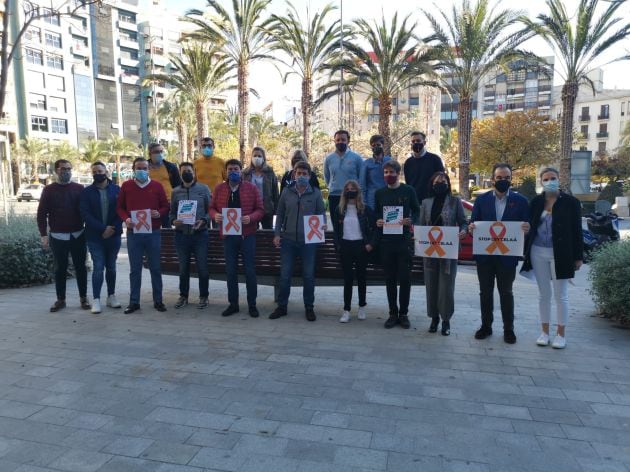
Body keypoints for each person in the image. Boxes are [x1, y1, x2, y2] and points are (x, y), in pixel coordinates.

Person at [521, 167, 583, 349]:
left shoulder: (571, 202)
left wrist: (578, 257)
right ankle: (544, 332)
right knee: (543, 295)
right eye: (546, 179)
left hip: (561, 254)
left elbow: (577, 230)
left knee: (561, 295)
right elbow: (529, 225)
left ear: (559, 179)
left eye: (553, 178)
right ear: (541, 182)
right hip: (537, 252)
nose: (549, 181)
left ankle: (561, 335)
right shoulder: (536, 202)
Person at [469, 163, 530, 344]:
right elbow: (473, 224)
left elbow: (527, 225)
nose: (503, 180)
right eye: (499, 177)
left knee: (506, 292)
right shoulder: (481, 200)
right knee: (485, 293)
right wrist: (472, 228)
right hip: (485, 257)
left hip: (507, 256)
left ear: (511, 179)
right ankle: (486, 326)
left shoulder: (521, 201)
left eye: (507, 178)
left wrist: (527, 228)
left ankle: (508, 329)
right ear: (493, 179)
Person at [271, 161, 326, 321]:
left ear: (309, 176)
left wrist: (321, 226)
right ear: (294, 175)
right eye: (298, 173)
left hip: (308, 242)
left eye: (304, 174)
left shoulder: (315, 193)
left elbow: (321, 215)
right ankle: (282, 306)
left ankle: (309, 307)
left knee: (308, 276)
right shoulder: (287, 192)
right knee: (285, 275)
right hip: (288, 240)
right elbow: (279, 214)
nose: (301, 176)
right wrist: (276, 234)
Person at [209, 159, 265, 317]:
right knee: (231, 271)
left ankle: (252, 304)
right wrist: (216, 215)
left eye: (236, 169)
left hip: (247, 235)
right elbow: (211, 207)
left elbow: (260, 209)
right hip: (228, 236)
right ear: (226, 171)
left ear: (241, 171)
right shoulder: (219, 188)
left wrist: (251, 218)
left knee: (249, 271)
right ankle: (233, 304)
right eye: (230, 169)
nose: (233, 171)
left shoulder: (251, 188)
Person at [116, 157, 170, 314]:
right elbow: (119, 207)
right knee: (135, 270)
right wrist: (126, 219)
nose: (141, 171)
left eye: (144, 168)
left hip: (153, 232)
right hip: (134, 233)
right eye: (138, 168)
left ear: (148, 170)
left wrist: (158, 213)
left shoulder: (157, 186)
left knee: (155, 268)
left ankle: (158, 301)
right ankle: (134, 302)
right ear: (133, 169)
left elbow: (166, 206)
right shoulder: (126, 186)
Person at [37, 159, 90, 312]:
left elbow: (86, 211)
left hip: (78, 235)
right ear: (56, 171)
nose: (66, 171)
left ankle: (83, 298)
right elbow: (41, 214)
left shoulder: (79, 188)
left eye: (68, 168)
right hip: (57, 236)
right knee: (60, 268)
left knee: (81, 267)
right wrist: (43, 234)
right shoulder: (49, 190)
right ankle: (61, 299)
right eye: (62, 169)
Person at [418, 172, 467, 336]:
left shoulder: (455, 202)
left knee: (446, 287)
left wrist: (463, 231)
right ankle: (434, 318)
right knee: (431, 285)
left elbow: (463, 222)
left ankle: (446, 320)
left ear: (448, 184)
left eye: (443, 181)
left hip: (448, 251)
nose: (440, 184)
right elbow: (421, 225)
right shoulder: (425, 202)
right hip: (430, 251)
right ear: (432, 185)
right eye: (437, 181)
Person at [374, 160, 420, 329]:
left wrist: (411, 220)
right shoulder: (379, 193)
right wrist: (378, 220)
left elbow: (417, 210)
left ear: (398, 173)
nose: (388, 175)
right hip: (386, 242)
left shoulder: (408, 190)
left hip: (404, 241)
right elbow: (376, 213)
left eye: (392, 172)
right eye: (385, 172)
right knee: (390, 279)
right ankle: (392, 313)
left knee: (405, 279)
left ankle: (404, 314)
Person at [79, 161, 123, 314]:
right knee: (98, 267)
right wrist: (102, 228)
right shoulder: (86, 192)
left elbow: (122, 211)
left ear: (106, 172)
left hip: (114, 235)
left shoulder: (117, 190)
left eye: (100, 171)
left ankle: (111, 296)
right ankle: (96, 299)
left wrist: (112, 228)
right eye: (95, 171)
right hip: (95, 236)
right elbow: (85, 214)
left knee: (111, 266)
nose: (98, 173)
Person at [169, 162, 212, 310]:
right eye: (183, 171)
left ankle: (204, 296)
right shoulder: (175, 192)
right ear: (180, 174)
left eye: (189, 170)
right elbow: (172, 213)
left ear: (194, 172)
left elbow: (211, 210)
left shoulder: (203, 189)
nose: (186, 173)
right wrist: (173, 220)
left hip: (200, 235)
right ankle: (183, 296)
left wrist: (204, 220)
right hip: (181, 235)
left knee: (202, 268)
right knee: (183, 268)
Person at [333, 180, 376, 323]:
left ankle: (362, 306)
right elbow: (336, 231)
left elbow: (376, 228)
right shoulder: (339, 210)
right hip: (345, 246)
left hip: (361, 246)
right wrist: (338, 246)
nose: (350, 191)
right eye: (347, 189)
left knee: (362, 277)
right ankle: (346, 310)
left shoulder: (365, 209)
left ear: (358, 191)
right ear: (344, 192)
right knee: (348, 279)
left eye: (353, 189)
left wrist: (370, 244)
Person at [324, 130, 363, 228]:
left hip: (351, 197)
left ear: (348, 141)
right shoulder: (328, 159)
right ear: (334, 141)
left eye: (343, 140)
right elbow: (327, 178)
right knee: (336, 226)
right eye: (337, 140)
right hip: (334, 196)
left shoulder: (357, 158)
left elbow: (361, 178)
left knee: (351, 226)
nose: (340, 142)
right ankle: (337, 244)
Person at [403, 131, 445, 204]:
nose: (416, 143)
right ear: (411, 144)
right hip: (414, 202)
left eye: (418, 140)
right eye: (413, 141)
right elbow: (408, 184)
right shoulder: (408, 163)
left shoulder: (435, 159)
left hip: (432, 201)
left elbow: (442, 180)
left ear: (424, 142)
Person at [243, 146, 279, 229]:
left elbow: (275, 191)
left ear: (263, 158)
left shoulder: (270, 172)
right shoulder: (246, 173)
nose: (257, 158)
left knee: (267, 232)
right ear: (251, 158)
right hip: (250, 208)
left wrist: (276, 209)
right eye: (255, 156)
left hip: (267, 208)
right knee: (251, 232)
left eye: (259, 156)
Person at [147, 142, 181, 228]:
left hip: (168, 202)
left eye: (161, 151)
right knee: (152, 228)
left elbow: (177, 185)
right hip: (151, 203)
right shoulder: (144, 166)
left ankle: (168, 242)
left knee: (167, 228)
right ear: (150, 154)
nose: (159, 154)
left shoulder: (171, 166)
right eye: (156, 152)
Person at [359, 134, 391, 210]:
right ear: (371, 147)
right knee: (372, 220)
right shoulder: (366, 163)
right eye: (373, 145)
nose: (376, 147)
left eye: (378, 145)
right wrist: (363, 202)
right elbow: (362, 184)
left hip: (387, 196)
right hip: (372, 199)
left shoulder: (389, 161)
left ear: (383, 145)